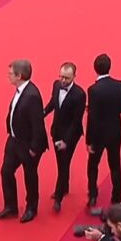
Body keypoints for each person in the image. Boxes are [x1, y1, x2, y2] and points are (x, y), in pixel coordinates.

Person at [0, 59, 48, 223]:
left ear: (20, 76)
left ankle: (31, 208)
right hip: (14, 140)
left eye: (10, 74)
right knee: (6, 171)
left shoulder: (32, 96)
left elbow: (38, 124)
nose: (8, 76)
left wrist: (34, 148)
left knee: (30, 175)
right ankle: (10, 207)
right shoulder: (20, 90)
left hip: (28, 144)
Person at [86, 54, 121, 206]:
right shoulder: (120, 85)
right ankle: (116, 196)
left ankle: (92, 195)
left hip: (98, 135)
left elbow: (92, 117)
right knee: (115, 164)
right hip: (116, 131)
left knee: (92, 165)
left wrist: (89, 140)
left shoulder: (93, 90)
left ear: (95, 68)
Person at [43, 62, 86, 212]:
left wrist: (66, 141)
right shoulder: (56, 85)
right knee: (60, 162)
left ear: (74, 76)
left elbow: (76, 122)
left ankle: (59, 197)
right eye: (61, 76)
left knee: (63, 164)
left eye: (66, 78)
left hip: (71, 135)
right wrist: (42, 113)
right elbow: (53, 103)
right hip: (56, 132)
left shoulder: (79, 94)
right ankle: (65, 186)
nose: (63, 80)